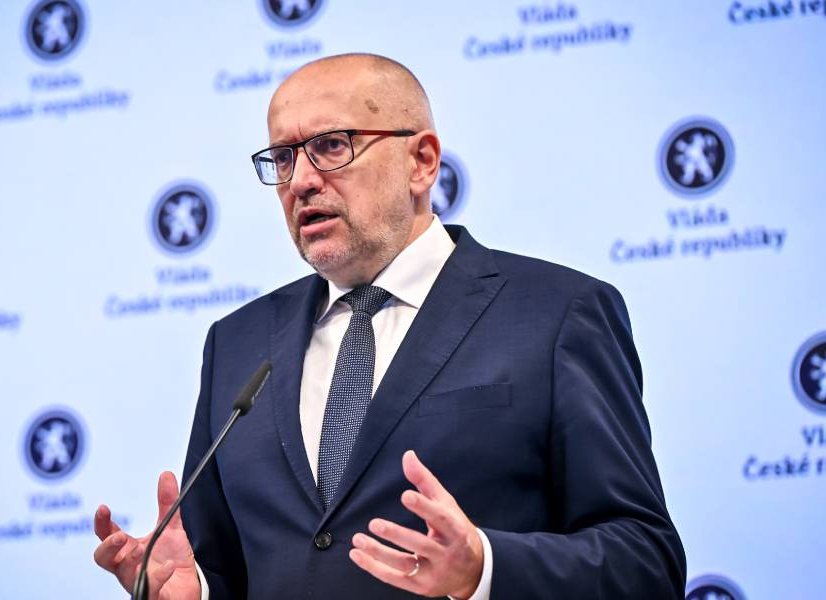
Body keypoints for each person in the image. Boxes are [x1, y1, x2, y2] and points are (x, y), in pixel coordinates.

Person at [93, 53, 686, 599]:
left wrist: (484, 569)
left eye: (331, 145)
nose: (300, 181)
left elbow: (645, 561)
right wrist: (194, 591)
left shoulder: (556, 312)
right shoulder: (236, 343)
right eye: (283, 158)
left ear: (421, 162)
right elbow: (229, 567)